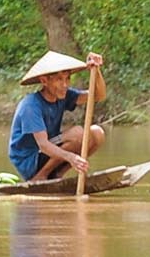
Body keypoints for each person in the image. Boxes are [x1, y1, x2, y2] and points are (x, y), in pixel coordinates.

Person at [10, 49, 108, 181]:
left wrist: (96, 71)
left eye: (67, 78)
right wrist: (71, 157)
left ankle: (57, 174)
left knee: (97, 133)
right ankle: (40, 176)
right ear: (44, 81)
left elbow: (98, 96)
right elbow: (43, 145)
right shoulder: (30, 106)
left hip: (50, 153)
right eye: (59, 79)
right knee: (78, 134)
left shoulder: (63, 95)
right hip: (30, 160)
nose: (65, 85)